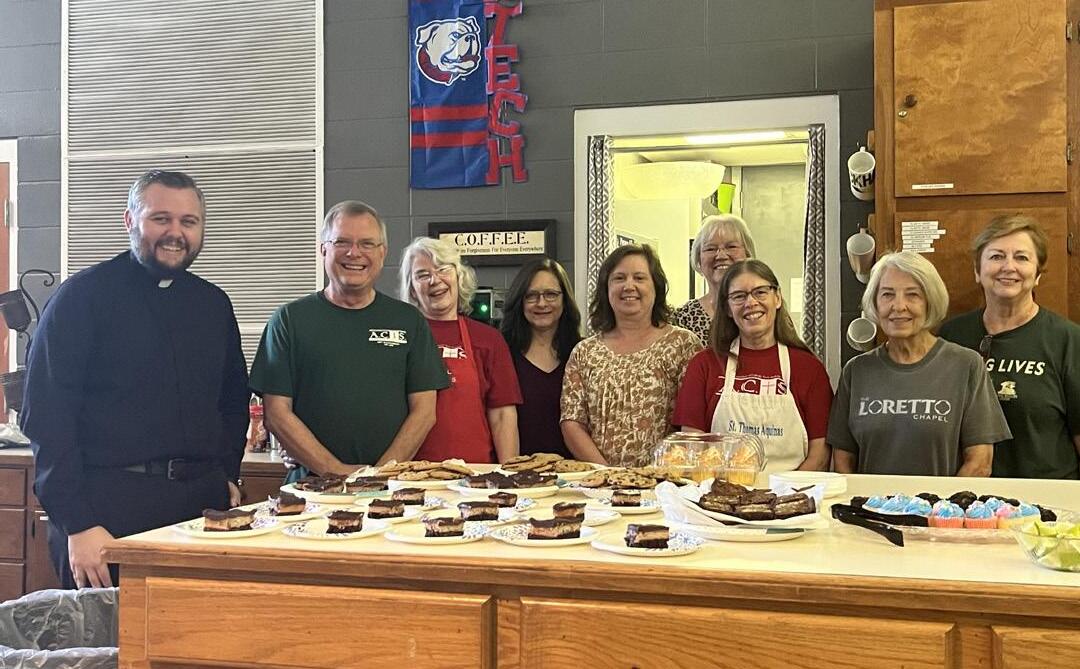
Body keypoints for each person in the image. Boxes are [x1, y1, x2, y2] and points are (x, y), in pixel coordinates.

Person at [21, 170, 250, 588]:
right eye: (161, 219)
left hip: (200, 511)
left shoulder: (213, 305)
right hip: (106, 516)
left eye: (188, 221)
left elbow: (232, 402)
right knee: (108, 634)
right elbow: (47, 416)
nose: (175, 233)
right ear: (130, 220)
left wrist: (228, 474)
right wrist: (77, 523)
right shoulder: (82, 299)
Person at [249, 201, 448, 480]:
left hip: (390, 487)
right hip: (310, 489)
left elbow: (424, 412)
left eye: (367, 243)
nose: (354, 253)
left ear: (382, 253)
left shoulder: (408, 321)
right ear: (323, 250)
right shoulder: (289, 321)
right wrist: (336, 472)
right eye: (342, 242)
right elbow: (276, 413)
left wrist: (379, 475)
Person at [828, 251, 1010, 476]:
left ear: (930, 302)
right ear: (874, 303)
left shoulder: (967, 365)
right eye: (887, 295)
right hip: (871, 501)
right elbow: (842, 461)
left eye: (912, 295)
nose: (899, 306)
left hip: (941, 501)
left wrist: (939, 500)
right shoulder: (856, 371)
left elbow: (979, 463)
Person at [939, 215, 1080, 479]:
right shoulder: (951, 336)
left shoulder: (1069, 340)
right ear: (977, 271)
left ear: (1037, 274)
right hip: (968, 496)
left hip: (1046, 498)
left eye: (1022, 257)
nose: (1009, 267)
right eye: (997, 256)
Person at [673, 259, 832, 473]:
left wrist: (787, 490)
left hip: (792, 490)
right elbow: (692, 447)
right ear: (728, 308)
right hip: (720, 490)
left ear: (777, 298)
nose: (751, 302)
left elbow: (820, 454)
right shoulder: (704, 365)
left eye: (760, 292)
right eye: (739, 296)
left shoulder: (808, 368)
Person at [561, 244, 703, 467]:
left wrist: (656, 475)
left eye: (639, 278)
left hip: (666, 480)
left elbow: (693, 424)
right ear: (606, 289)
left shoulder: (682, 345)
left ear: (656, 287)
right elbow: (572, 422)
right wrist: (607, 474)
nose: (629, 286)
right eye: (619, 278)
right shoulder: (585, 352)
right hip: (599, 480)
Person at [399, 237, 522, 463]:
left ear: (459, 277)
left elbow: (503, 416)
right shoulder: (401, 339)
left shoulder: (488, 339)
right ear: (412, 290)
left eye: (443, 269)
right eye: (422, 275)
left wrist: (509, 473)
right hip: (414, 474)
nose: (435, 280)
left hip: (477, 474)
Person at [500, 259, 582, 458]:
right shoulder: (501, 352)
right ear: (519, 301)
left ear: (565, 299)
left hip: (577, 471)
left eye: (551, 294)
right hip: (517, 469)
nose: (542, 303)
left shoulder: (583, 352)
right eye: (531, 296)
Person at [672, 214, 756, 343]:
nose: (721, 255)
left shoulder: (762, 308)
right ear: (698, 259)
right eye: (711, 249)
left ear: (748, 255)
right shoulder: (683, 317)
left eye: (731, 247)